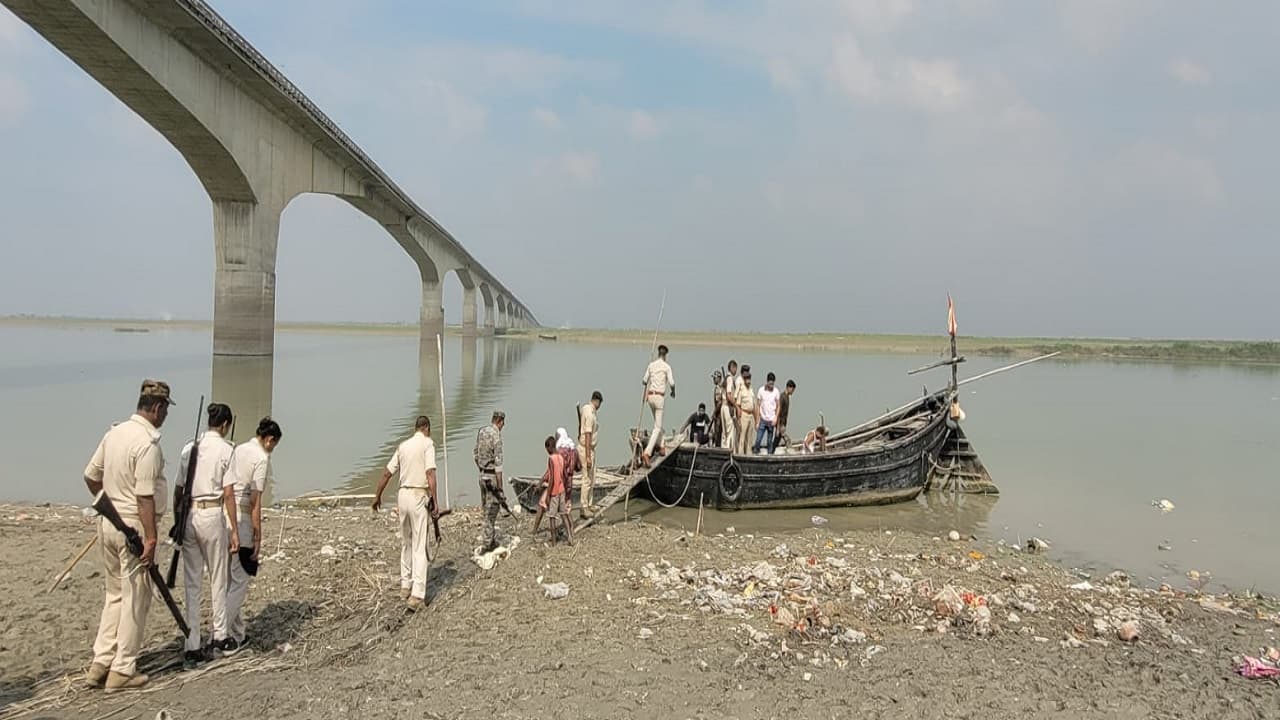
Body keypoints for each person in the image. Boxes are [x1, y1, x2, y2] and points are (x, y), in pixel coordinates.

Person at [82, 379, 173, 691]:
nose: (165, 416)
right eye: (165, 410)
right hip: (133, 526)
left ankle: (101, 661)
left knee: (115, 595)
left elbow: (91, 476)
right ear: (157, 408)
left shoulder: (115, 433)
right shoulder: (147, 444)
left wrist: (110, 503)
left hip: (108, 523)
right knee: (135, 598)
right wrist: (151, 538)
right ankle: (122, 669)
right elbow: (144, 497)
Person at [177, 402, 235, 668]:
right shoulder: (227, 450)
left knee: (192, 582)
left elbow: (178, 490)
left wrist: (178, 522)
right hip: (212, 513)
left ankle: (192, 644)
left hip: (190, 514)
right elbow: (229, 493)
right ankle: (220, 635)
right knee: (218, 578)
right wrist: (234, 530)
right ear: (225, 425)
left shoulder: (190, 448)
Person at [222, 417, 283, 654]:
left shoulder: (237, 449)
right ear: (269, 440)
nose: (273, 449)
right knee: (240, 580)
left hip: (225, 516)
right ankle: (220, 636)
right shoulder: (261, 458)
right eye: (274, 445)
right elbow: (255, 502)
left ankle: (237, 633)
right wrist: (258, 537)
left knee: (229, 580)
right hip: (243, 518)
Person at [372, 415, 438, 611]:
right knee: (420, 544)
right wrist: (435, 501)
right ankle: (417, 594)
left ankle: (405, 585)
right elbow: (430, 473)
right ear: (426, 428)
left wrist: (378, 496)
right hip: (418, 494)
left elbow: (387, 473)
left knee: (406, 542)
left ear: (415, 428)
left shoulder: (403, 446)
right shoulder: (428, 444)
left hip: (403, 495)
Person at [473, 410, 506, 552]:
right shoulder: (496, 436)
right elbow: (498, 465)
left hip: (482, 475)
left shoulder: (482, 432)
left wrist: (482, 469)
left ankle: (489, 538)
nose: (503, 426)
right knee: (492, 511)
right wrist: (500, 489)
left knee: (485, 509)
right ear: (499, 421)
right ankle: (487, 544)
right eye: (503, 423)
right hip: (491, 477)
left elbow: (475, 454)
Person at [640, 345, 676, 465]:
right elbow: (672, 383)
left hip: (650, 397)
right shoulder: (667, 367)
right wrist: (673, 391)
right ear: (665, 355)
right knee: (657, 427)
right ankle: (647, 452)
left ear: (658, 353)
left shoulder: (651, 365)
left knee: (657, 423)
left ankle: (661, 446)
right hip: (659, 397)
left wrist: (651, 373)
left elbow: (644, 381)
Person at [540, 436, 573, 545]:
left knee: (552, 517)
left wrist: (548, 495)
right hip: (562, 489)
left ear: (550, 447)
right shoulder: (560, 457)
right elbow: (564, 475)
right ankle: (570, 537)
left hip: (554, 492)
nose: (547, 452)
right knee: (563, 514)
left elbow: (552, 479)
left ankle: (554, 542)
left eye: (547, 449)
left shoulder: (551, 459)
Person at [577, 391, 602, 519]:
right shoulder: (590, 414)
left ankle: (589, 503)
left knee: (592, 477)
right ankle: (584, 507)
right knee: (587, 479)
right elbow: (587, 435)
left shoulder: (585, 408)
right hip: (586, 448)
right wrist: (587, 457)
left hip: (589, 448)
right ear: (597, 401)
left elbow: (580, 425)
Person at [753, 373, 782, 454]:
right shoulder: (761, 390)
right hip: (763, 419)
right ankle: (756, 453)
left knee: (769, 442)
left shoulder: (776, 391)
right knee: (758, 439)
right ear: (767, 382)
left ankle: (769, 456)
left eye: (773, 384)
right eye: (770, 384)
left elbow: (778, 406)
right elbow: (758, 405)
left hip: (771, 420)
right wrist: (757, 421)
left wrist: (776, 418)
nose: (771, 385)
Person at [734, 370, 757, 456]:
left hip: (751, 415)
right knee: (742, 436)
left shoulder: (751, 390)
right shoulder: (741, 391)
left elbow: (754, 404)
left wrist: (756, 419)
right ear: (744, 380)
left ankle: (748, 453)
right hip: (744, 414)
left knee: (750, 436)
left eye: (749, 379)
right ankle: (740, 454)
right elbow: (738, 405)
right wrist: (738, 418)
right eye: (747, 379)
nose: (748, 381)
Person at [771, 380, 796, 453]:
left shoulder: (787, 397)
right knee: (787, 439)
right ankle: (791, 453)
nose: (793, 392)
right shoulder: (782, 397)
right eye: (792, 390)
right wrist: (778, 427)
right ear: (789, 387)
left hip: (783, 423)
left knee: (777, 439)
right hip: (780, 423)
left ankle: (771, 452)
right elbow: (778, 412)